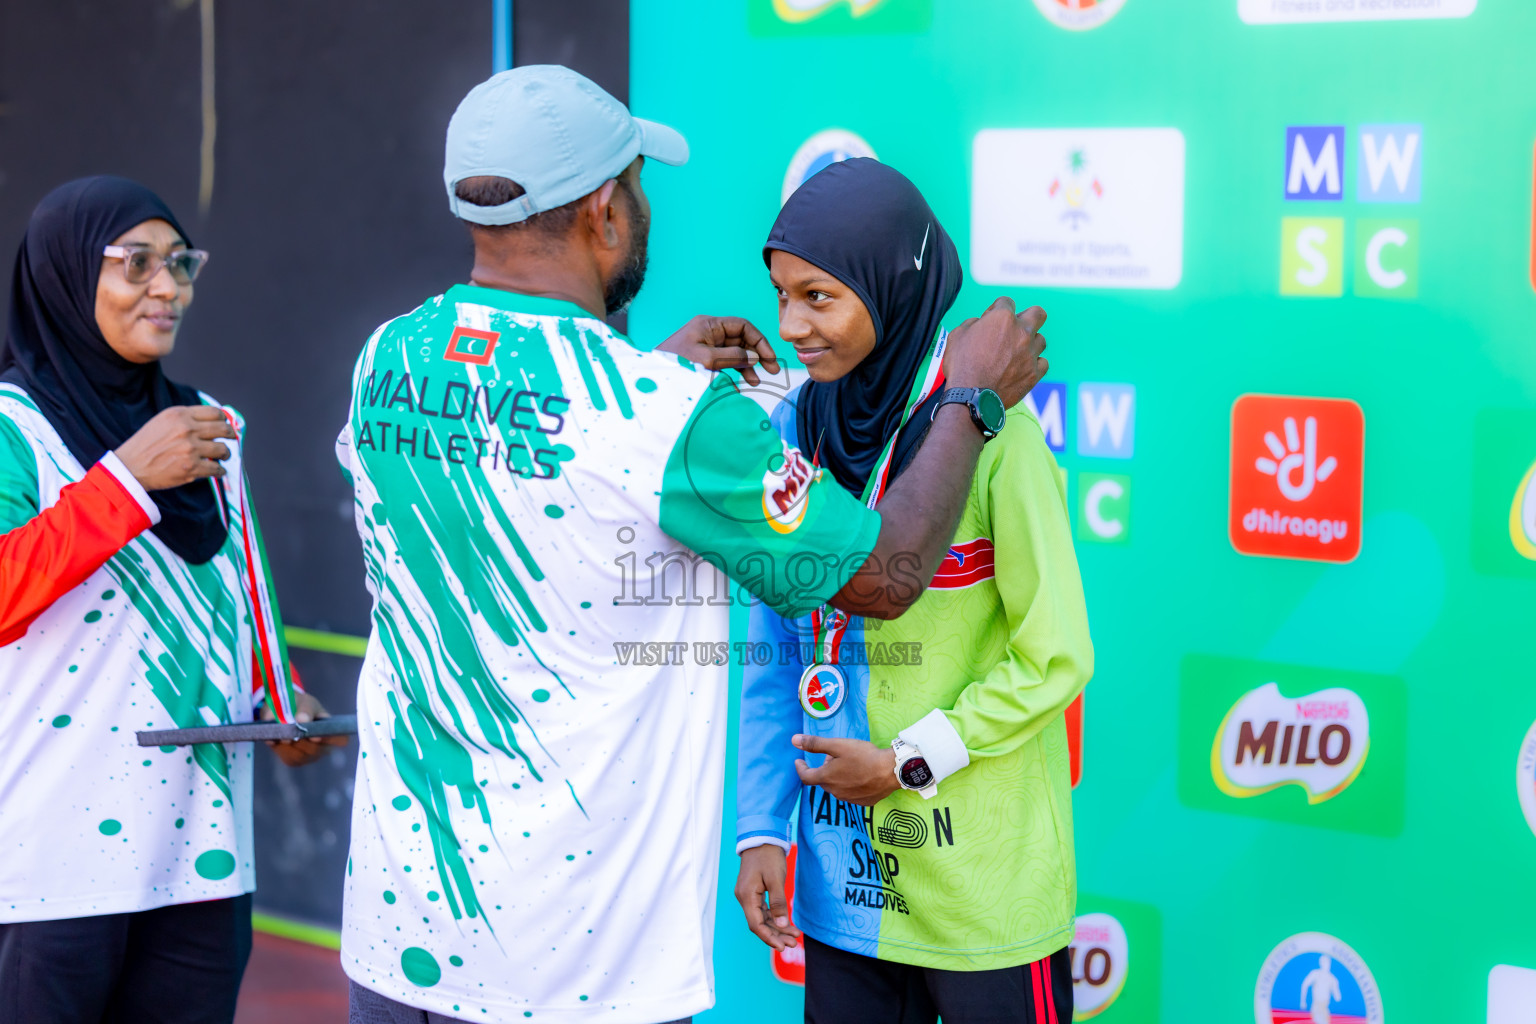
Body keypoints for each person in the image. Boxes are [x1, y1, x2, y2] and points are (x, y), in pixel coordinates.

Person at [336, 66, 1049, 1024]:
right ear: (605, 212)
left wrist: (642, 384)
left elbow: (518, 448)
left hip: (400, 931)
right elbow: (886, 577)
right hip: (567, 963)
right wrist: (970, 398)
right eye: (636, 184)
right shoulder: (668, 418)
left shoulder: (386, 356)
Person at [733, 159, 1093, 1024]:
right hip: (844, 887)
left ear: (894, 286)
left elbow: (1055, 656)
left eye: (819, 298)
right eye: (783, 296)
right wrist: (759, 826)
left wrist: (907, 761)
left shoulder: (997, 439)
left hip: (985, 896)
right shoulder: (792, 430)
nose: (792, 327)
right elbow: (775, 650)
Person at [0, 176, 342, 1024]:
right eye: (136, 264)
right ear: (64, 277)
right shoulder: (14, 426)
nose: (168, 287)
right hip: (47, 862)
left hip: (202, 857)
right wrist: (124, 482)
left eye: (181, 263)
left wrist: (274, 693)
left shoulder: (206, 422)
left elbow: (240, 586)